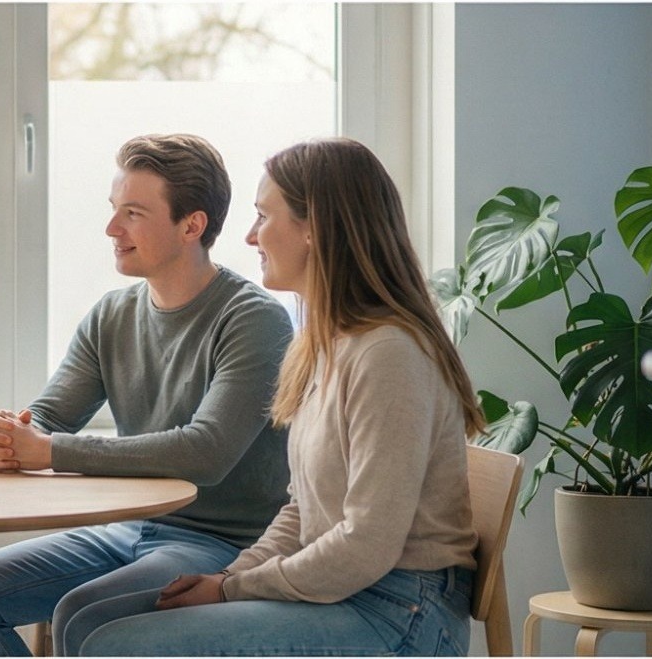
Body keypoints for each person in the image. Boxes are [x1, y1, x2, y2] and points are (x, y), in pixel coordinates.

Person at [68, 136, 484, 656]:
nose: (249, 236)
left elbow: (367, 544)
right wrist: (229, 577)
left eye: (264, 217)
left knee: (117, 645)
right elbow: (301, 509)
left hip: (399, 611)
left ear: (314, 229)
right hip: (350, 594)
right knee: (95, 628)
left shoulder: (388, 354)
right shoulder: (325, 345)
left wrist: (233, 588)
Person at [0, 133, 295, 656]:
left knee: (83, 615)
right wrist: (10, 434)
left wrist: (47, 450)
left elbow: (205, 453)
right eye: (114, 209)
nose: (111, 228)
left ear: (191, 225)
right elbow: (51, 417)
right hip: (128, 527)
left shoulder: (254, 320)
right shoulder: (112, 314)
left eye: (132, 213)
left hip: (222, 544)